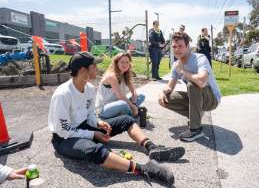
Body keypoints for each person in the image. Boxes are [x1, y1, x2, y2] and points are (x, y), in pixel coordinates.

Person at [48, 52, 185, 186]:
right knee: (94, 150)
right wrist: (93, 134)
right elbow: (63, 130)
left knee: (125, 120)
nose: (97, 68)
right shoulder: (63, 94)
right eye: (94, 66)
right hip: (64, 139)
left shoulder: (89, 88)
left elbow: (89, 114)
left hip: (84, 127)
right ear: (83, 70)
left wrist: (99, 123)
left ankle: (152, 148)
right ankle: (144, 169)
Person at [158, 32, 221, 142]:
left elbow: (201, 82)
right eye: (174, 47)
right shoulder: (176, 64)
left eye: (180, 46)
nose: (177, 49)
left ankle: (195, 130)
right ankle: (195, 117)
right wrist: (162, 93)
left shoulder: (199, 58)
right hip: (197, 97)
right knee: (166, 99)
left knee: (193, 84)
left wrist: (183, 70)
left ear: (188, 46)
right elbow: (170, 87)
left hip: (211, 100)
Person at [95, 52, 144, 119]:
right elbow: (121, 97)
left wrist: (134, 103)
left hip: (119, 103)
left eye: (127, 62)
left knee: (141, 96)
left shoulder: (125, 75)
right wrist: (133, 107)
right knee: (123, 104)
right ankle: (131, 116)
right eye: (122, 62)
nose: (125, 64)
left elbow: (133, 91)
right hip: (104, 108)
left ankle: (126, 113)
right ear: (116, 63)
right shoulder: (111, 76)